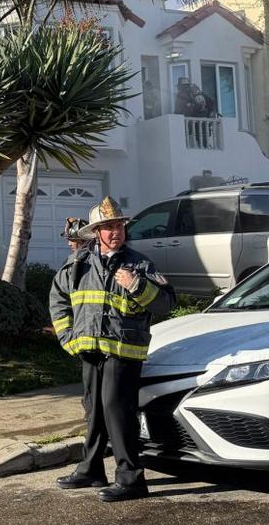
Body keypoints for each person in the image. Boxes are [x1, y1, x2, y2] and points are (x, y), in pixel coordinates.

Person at [49, 197, 175, 502]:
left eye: (118, 226)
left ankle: (131, 479)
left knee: (117, 414)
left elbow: (167, 303)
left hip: (123, 353)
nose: (115, 232)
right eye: (107, 227)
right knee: (94, 413)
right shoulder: (78, 264)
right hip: (89, 351)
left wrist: (137, 285)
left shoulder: (140, 264)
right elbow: (58, 299)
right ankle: (91, 469)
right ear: (96, 232)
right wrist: (68, 337)